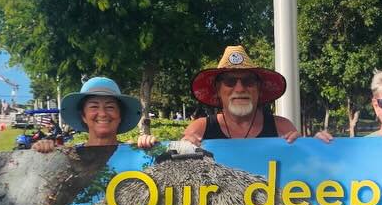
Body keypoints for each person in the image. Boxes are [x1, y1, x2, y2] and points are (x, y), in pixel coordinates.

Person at [135, 45, 326, 148]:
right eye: (230, 81)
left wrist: (316, 147)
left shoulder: (281, 127)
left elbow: (304, 173)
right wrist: (156, 147)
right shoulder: (201, 128)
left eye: (249, 81)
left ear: (259, 89)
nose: (240, 88)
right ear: (218, 90)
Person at [33, 76, 141, 153]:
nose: (102, 114)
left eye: (110, 107)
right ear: (83, 116)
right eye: (94, 106)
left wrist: (151, 149)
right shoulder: (70, 157)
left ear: (120, 115)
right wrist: (39, 154)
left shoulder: (134, 154)